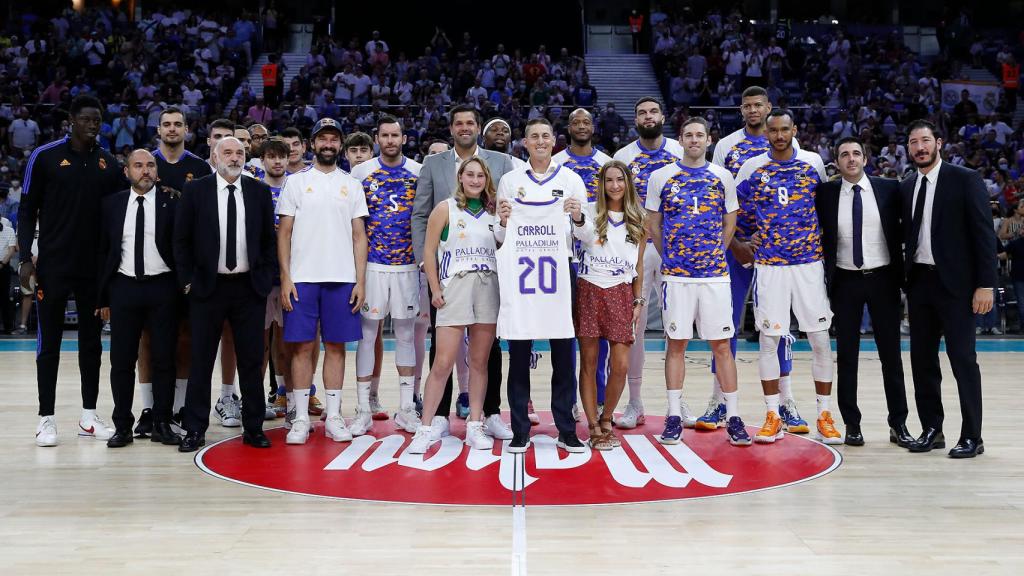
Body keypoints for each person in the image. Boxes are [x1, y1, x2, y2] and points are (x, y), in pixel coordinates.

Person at [19, 95, 126, 447]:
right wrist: (24, 258)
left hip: (92, 271)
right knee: (48, 343)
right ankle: (45, 419)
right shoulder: (45, 157)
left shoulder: (109, 165)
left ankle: (88, 416)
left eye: (97, 119)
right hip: (52, 266)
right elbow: (27, 210)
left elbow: (116, 220)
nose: (92, 124)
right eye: (85, 119)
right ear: (71, 120)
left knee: (91, 345)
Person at [734, 109, 841, 445]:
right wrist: (742, 241)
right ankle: (772, 415)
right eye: (773, 131)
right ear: (765, 133)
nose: (779, 136)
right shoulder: (752, 168)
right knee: (769, 340)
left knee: (820, 340)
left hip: (809, 264)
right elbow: (734, 210)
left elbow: (825, 208)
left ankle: (824, 414)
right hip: (770, 267)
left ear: (794, 130)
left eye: (784, 129)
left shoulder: (812, 164)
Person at [412, 104, 514, 440]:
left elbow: (507, 231)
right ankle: (433, 420)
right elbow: (421, 217)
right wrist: (429, 271)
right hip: (448, 277)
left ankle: (485, 417)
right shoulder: (434, 168)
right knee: (442, 356)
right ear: (452, 127)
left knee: (486, 357)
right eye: (459, 123)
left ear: (479, 127)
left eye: (471, 122)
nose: (465, 127)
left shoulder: (500, 167)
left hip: (489, 282)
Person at [646, 117, 750, 446]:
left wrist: (715, 253)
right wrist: (672, 257)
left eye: (699, 135)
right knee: (676, 345)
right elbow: (654, 223)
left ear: (708, 140)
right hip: (677, 277)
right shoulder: (661, 176)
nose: (694, 140)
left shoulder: (723, 176)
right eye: (688, 135)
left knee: (721, 346)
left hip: (714, 276)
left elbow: (729, 220)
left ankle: (732, 415)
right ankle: (674, 415)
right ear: (680, 139)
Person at [706, 86, 802, 434]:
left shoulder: (791, 147)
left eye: (758, 104)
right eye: (747, 105)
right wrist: (734, 243)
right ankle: (719, 400)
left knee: (777, 327)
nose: (752, 110)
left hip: (777, 252)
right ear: (741, 109)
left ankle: (786, 402)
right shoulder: (727, 146)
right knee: (724, 323)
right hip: (735, 246)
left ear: (769, 107)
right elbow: (714, 195)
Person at [174, 136, 277, 452]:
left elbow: (268, 242)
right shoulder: (196, 190)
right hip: (208, 287)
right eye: (228, 152)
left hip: (248, 288)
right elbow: (181, 241)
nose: (234, 158)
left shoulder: (259, 191)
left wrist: (263, 282)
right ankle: (194, 429)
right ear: (214, 156)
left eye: (240, 153)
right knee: (201, 361)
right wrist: (189, 283)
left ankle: (254, 428)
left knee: (251, 360)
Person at [901, 119, 996, 458]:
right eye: (913, 142)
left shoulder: (964, 179)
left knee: (962, 361)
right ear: (908, 148)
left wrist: (986, 284)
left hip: (958, 286)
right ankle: (932, 429)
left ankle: (973, 435)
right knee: (922, 362)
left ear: (938, 143)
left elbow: (984, 234)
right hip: (921, 285)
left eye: (925, 140)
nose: (920, 147)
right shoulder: (908, 184)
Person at [495, 117, 588, 453]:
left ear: (554, 141)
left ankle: (566, 428)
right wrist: (503, 221)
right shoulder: (509, 181)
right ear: (525, 142)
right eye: (533, 136)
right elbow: (499, 235)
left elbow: (586, 233)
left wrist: (578, 217)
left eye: (545, 136)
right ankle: (520, 430)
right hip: (520, 269)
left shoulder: (571, 179)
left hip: (560, 270)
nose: (539, 141)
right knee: (519, 352)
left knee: (564, 353)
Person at [815, 137, 912, 447]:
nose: (851, 159)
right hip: (845, 281)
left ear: (866, 159)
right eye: (844, 154)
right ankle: (852, 424)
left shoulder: (889, 189)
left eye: (856, 153)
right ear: (837, 162)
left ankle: (898, 424)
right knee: (847, 357)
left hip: (883, 279)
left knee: (891, 357)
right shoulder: (826, 193)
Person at [277, 119, 368, 445]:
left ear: (339, 145)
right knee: (300, 347)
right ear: (312, 144)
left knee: (337, 347)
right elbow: (284, 233)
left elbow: (360, 236)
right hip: (302, 279)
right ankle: (300, 418)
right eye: (322, 139)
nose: (328, 144)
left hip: (342, 278)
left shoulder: (351, 184)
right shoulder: (295, 183)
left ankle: (333, 416)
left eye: (333, 139)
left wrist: (360, 280)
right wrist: (286, 277)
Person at [409, 157, 500, 453]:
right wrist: (435, 289)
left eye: (480, 175)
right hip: (455, 285)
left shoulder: (495, 212)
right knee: (443, 362)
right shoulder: (445, 208)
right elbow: (429, 250)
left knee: (479, 362)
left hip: (488, 286)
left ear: (487, 179)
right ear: (460, 177)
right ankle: (424, 428)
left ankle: (475, 424)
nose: (475, 180)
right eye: (469, 175)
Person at [97, 150, 180, 447]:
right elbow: (103, 253)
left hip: (163, 288)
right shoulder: (111, 205)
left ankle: (161, 422)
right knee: (121, 360)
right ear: (126, 171)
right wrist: (102, 296)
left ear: (157, 171)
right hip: (124, 288)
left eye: (150, 165)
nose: (145, 171)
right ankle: (122, 425)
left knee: (164, 359)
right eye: (138, 165)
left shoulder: (173, 201)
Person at [612, 97, 685, 429]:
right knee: (634, 329)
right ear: (635, 119)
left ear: (663, 116)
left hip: (673, 249)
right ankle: (635, 403)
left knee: (677, 327)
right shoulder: (623, 157)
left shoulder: (680, 152)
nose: (648, 116)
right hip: (635, 248)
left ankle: (678, 403)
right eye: (642, 112)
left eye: (653, 111)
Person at [350, 116, 423, 436]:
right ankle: (363, 409)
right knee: (368, 336)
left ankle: (407, 408)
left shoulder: (419, 173)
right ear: (377, 139)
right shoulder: (360, 173)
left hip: (408, 267)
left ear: (404, 138)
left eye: (396, 135)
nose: (390, 140)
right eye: (385, 135)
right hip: (373, 266)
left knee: (406, 336)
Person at [574, 160, 645, 450]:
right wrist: (577, 217)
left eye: (619, 180)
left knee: (620, 365)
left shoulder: (638, 218)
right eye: (609, 180)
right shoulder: (590, 212)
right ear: (601, 184)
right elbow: (581, 232)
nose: (614, 185)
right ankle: (592, 425)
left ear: (627, 183)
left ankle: (607, 418)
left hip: (621, 292)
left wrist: (638, 300)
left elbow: (638, 265)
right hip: (590, 288)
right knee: (589, 363)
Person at [553, 108, 614, 410]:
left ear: (593, 127)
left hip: (598, 257)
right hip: (562, 257)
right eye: (575, 122)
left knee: (597, 332)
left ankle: (599, 398)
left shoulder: (606, 164)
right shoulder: (554, 165)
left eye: (586, 122)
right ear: (568, 128)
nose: (580, 126)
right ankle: (570, 399)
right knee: (565, 330)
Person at [259, 138, 291, 418]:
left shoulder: (297, 187)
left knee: (286, 341)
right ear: (263, 160)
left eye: (282, 156)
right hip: (260, 276)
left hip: (290, 275)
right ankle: (256, 400)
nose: (277, 161)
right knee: (259, 343)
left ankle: (286, 395)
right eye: (271, 156)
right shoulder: (253, 188)